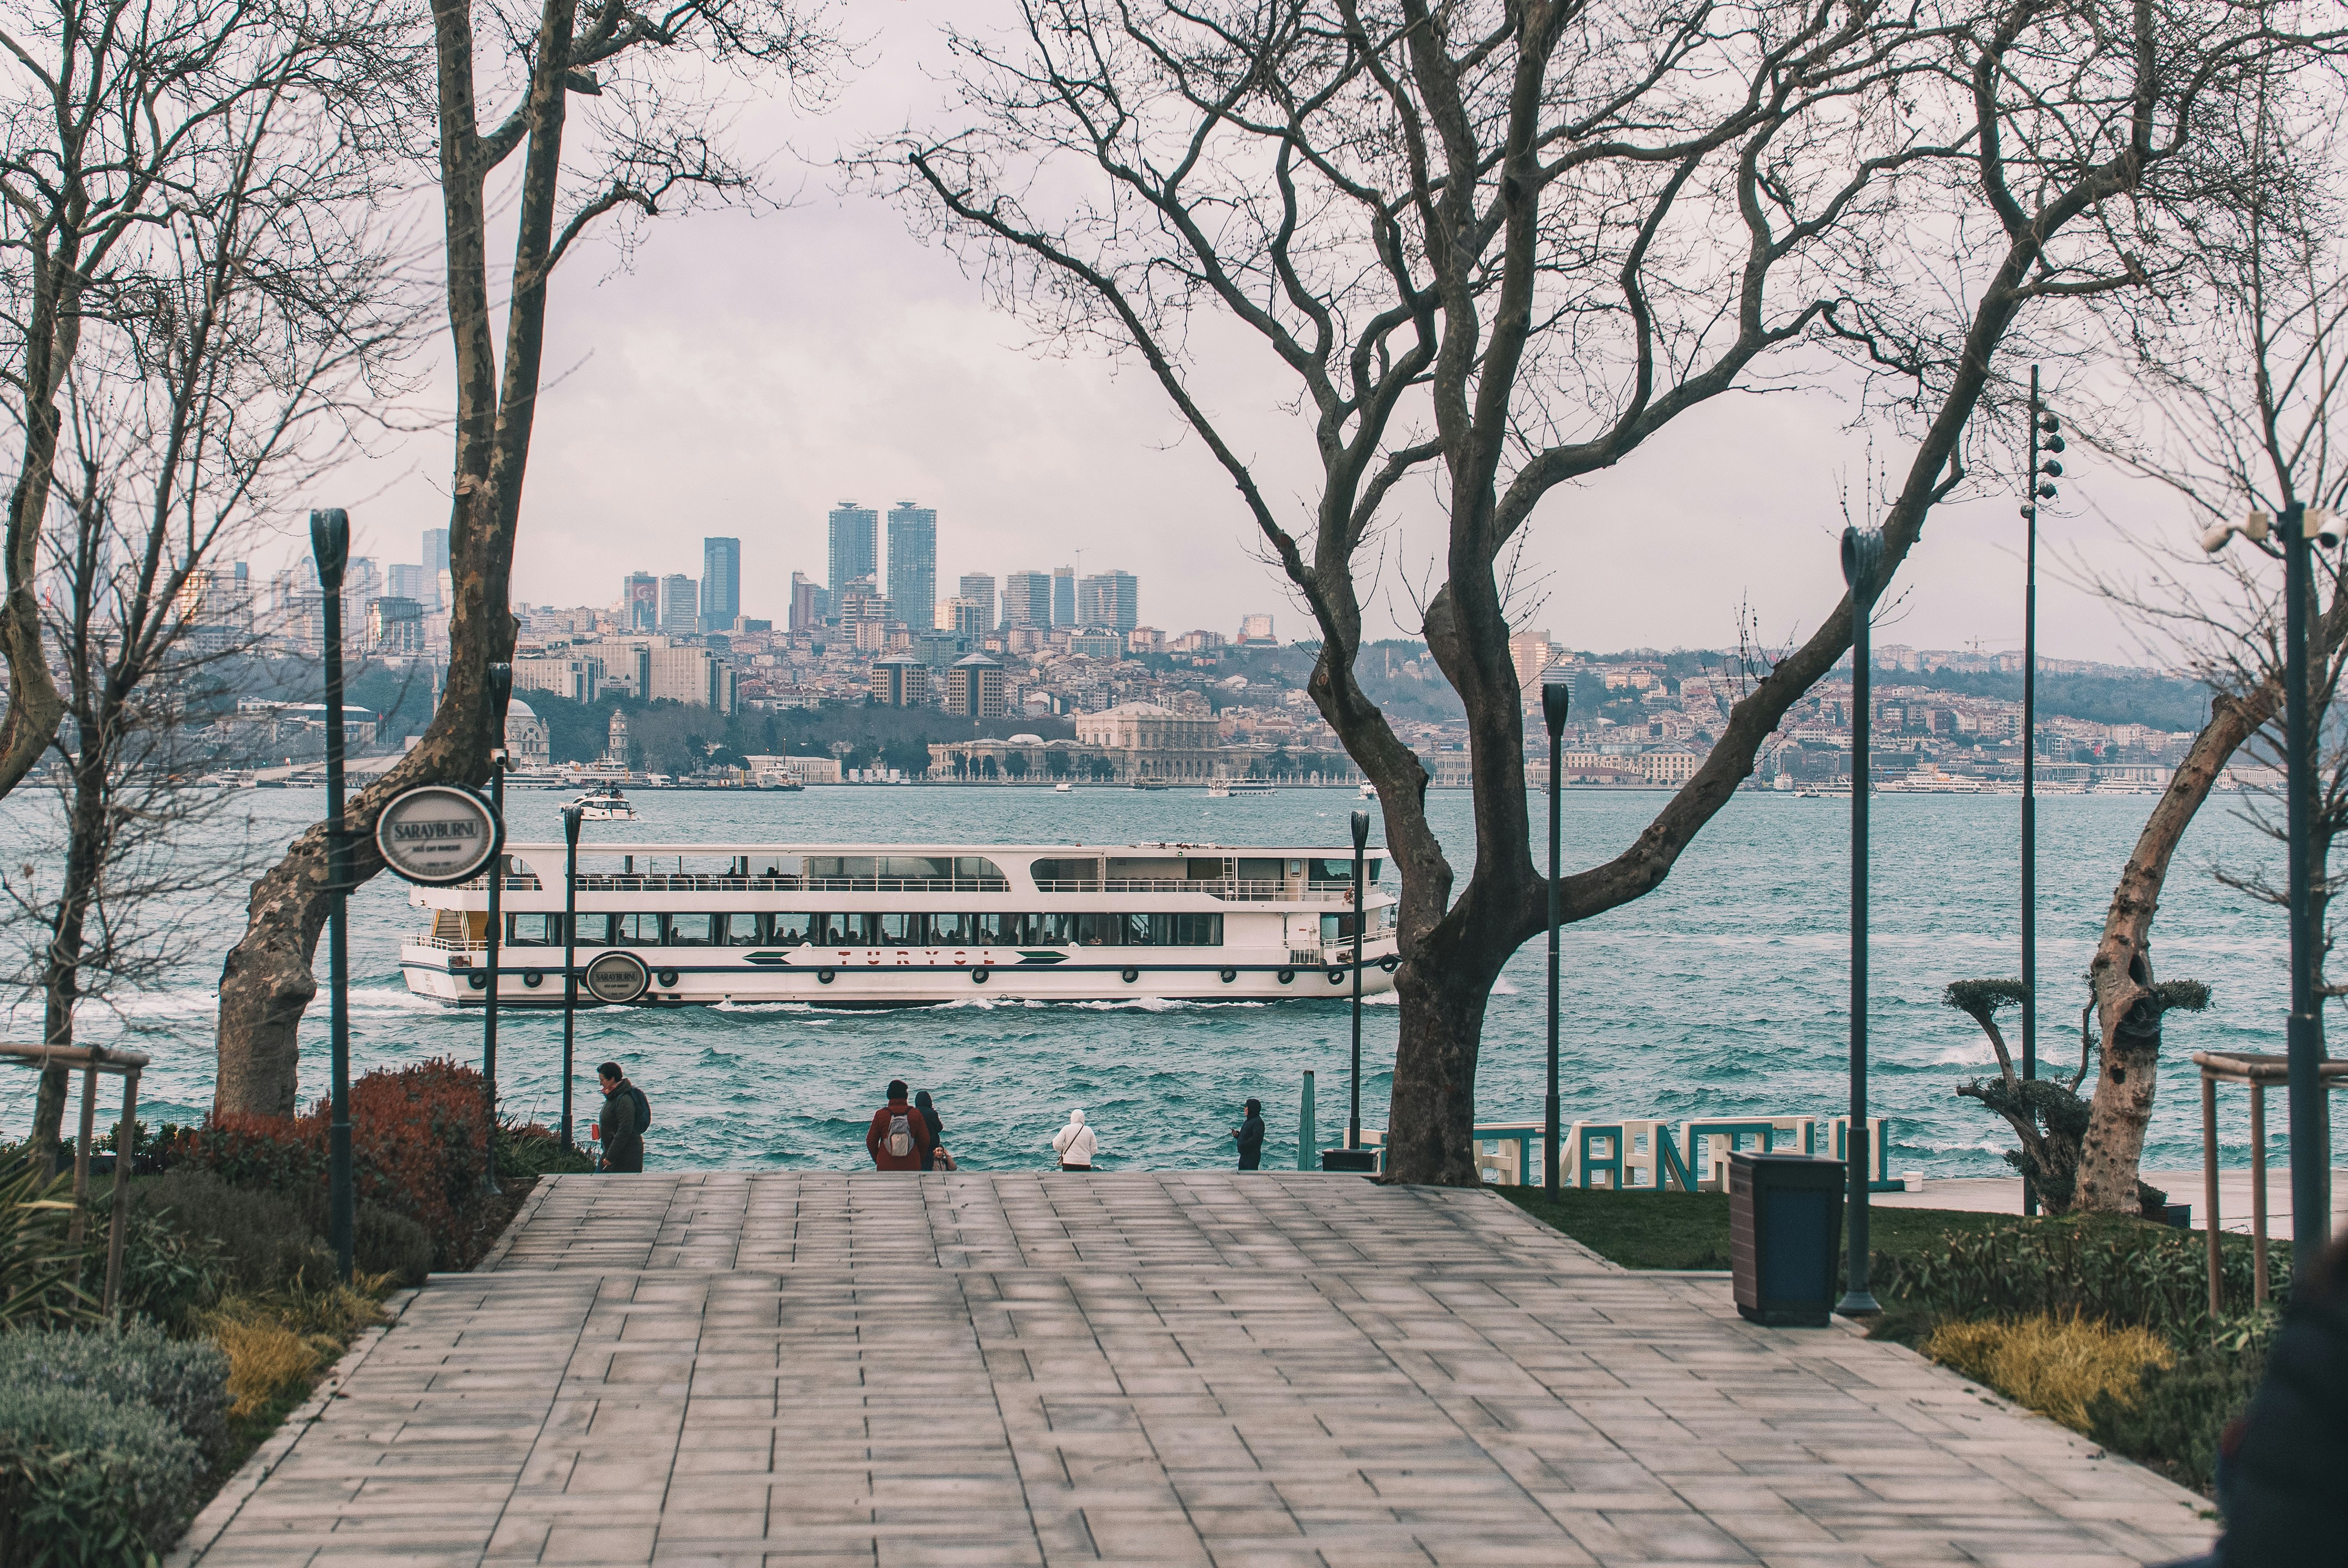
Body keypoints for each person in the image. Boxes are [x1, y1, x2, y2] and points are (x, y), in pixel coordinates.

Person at [866, 1080, 933, 1172]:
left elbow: (871, 1141)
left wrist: (878, 1159)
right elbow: (925, 1140)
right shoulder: (915, 1114)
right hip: (912, 1164)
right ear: (906, 1095)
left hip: (886, 1165)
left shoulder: (881, 1115)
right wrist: (918, 1157)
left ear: (889, 1094)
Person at [595, 1062, 643, 1173]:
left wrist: (610, 1158)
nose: (601, 1083)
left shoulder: (624, 1100)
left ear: (612, 1079)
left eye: (602, 1080)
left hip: (626, 1156)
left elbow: (625, 1130)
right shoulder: (612, 1096)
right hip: (612, 1154)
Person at [914, 1090, 952, 1172]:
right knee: (929, 1165)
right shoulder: (932, 1113)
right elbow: (939, 1128)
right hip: (931, 1143)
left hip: (917, 1143)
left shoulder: (913, 1112)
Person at [1052, 1108, 1098, 1172]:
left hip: (1069, 1162)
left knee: (1069, 1181)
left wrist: (1063, 1150)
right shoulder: (1089, 1130)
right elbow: (1094, 1149)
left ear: (1072, 1118)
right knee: (1084, 1181)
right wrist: (1086, 1156)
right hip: (1085, 1163)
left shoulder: (1066, 1128)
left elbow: (1056, 1144)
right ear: (1083, 1118)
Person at [1230, 1098, 1264, 1171]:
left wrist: (1243, 1144)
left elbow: (1256, 1140)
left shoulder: (1258, 1122)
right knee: (1242, 1179)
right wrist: (1238, 1136)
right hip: (1244, 1156)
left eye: (1246, 1107)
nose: (1244, 1109)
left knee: (1250, 1179)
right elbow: (1247, 1136)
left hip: (1252, 1156)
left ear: (1252, 1109)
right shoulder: (1248, 1121)